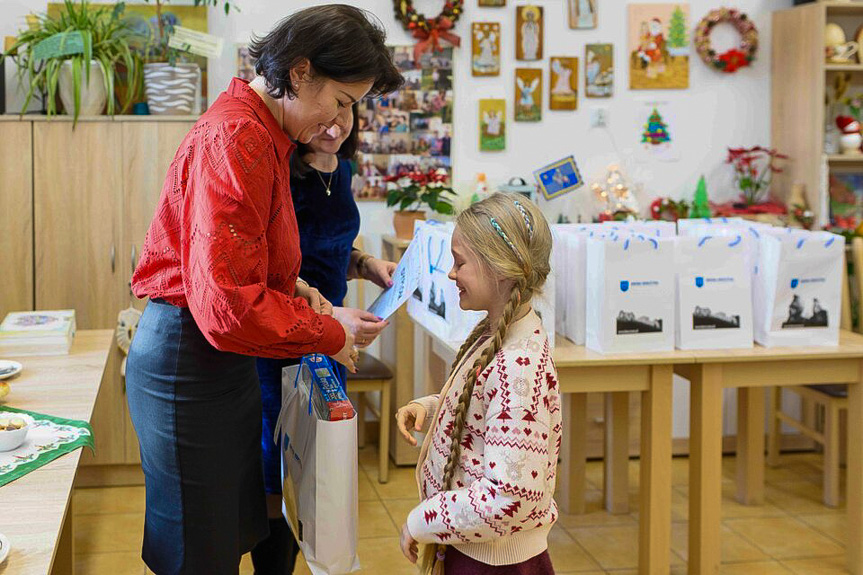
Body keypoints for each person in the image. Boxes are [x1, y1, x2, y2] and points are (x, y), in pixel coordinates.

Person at [125, 5, 403, 574]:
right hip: (189, 361)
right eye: (343, 101)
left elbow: (246, 259)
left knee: (225, 539)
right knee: (198, 557)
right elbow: (226, 305)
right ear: (300, 72)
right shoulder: (238, 138)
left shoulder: (261, 132)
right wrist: (328, 329)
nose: (341, 121)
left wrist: (300, 290)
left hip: (216, 363)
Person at [252, 103, 396, 573]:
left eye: (347, 114)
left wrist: (367, 266)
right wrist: (332, 315)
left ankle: (310, 556)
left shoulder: (344, 169)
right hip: (286, 336)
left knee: (319, 469)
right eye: (328, 114)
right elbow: (272, 272)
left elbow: (334, 248)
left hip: (333, 343)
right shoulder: (281, 171)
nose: (335, 127)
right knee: (279, 469)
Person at [395, 194, 561, 574]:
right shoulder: (498, 335)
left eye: (460, 262)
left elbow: (507, 497)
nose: (452, 274)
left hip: (493, 563)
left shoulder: (518, 364)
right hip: (473, 549)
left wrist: (421, 520)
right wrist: (432, 407)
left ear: (499, 268)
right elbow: (487, 411)